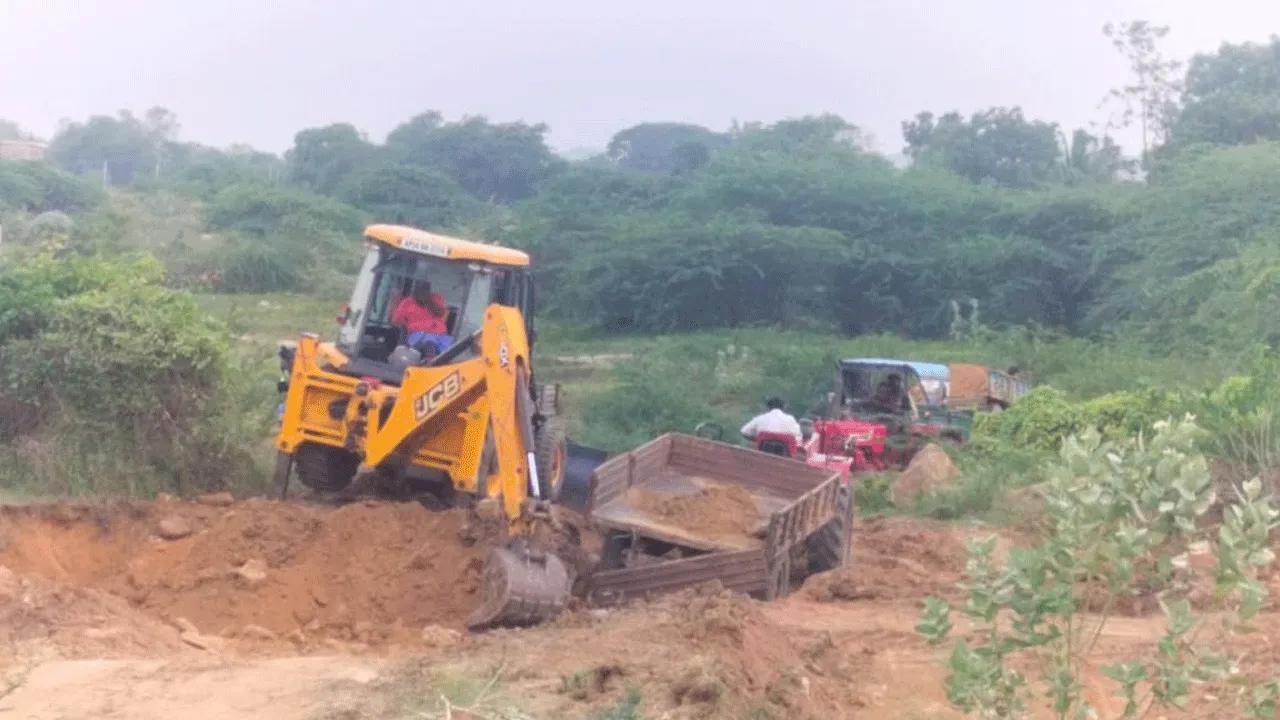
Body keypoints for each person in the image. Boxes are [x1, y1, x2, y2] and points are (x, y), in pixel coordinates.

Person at [390, 281, 452, 357]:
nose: (422, 292)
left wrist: (428, 301)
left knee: (451, 348)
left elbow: (441, 313)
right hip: (417, 335)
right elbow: (395, 320)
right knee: (429, 342)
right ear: (415, 290)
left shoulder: (436, 299)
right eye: (420, 289)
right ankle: (430, 362)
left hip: (440, 336)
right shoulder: (407, 302)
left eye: (425, 290)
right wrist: (405, 327)